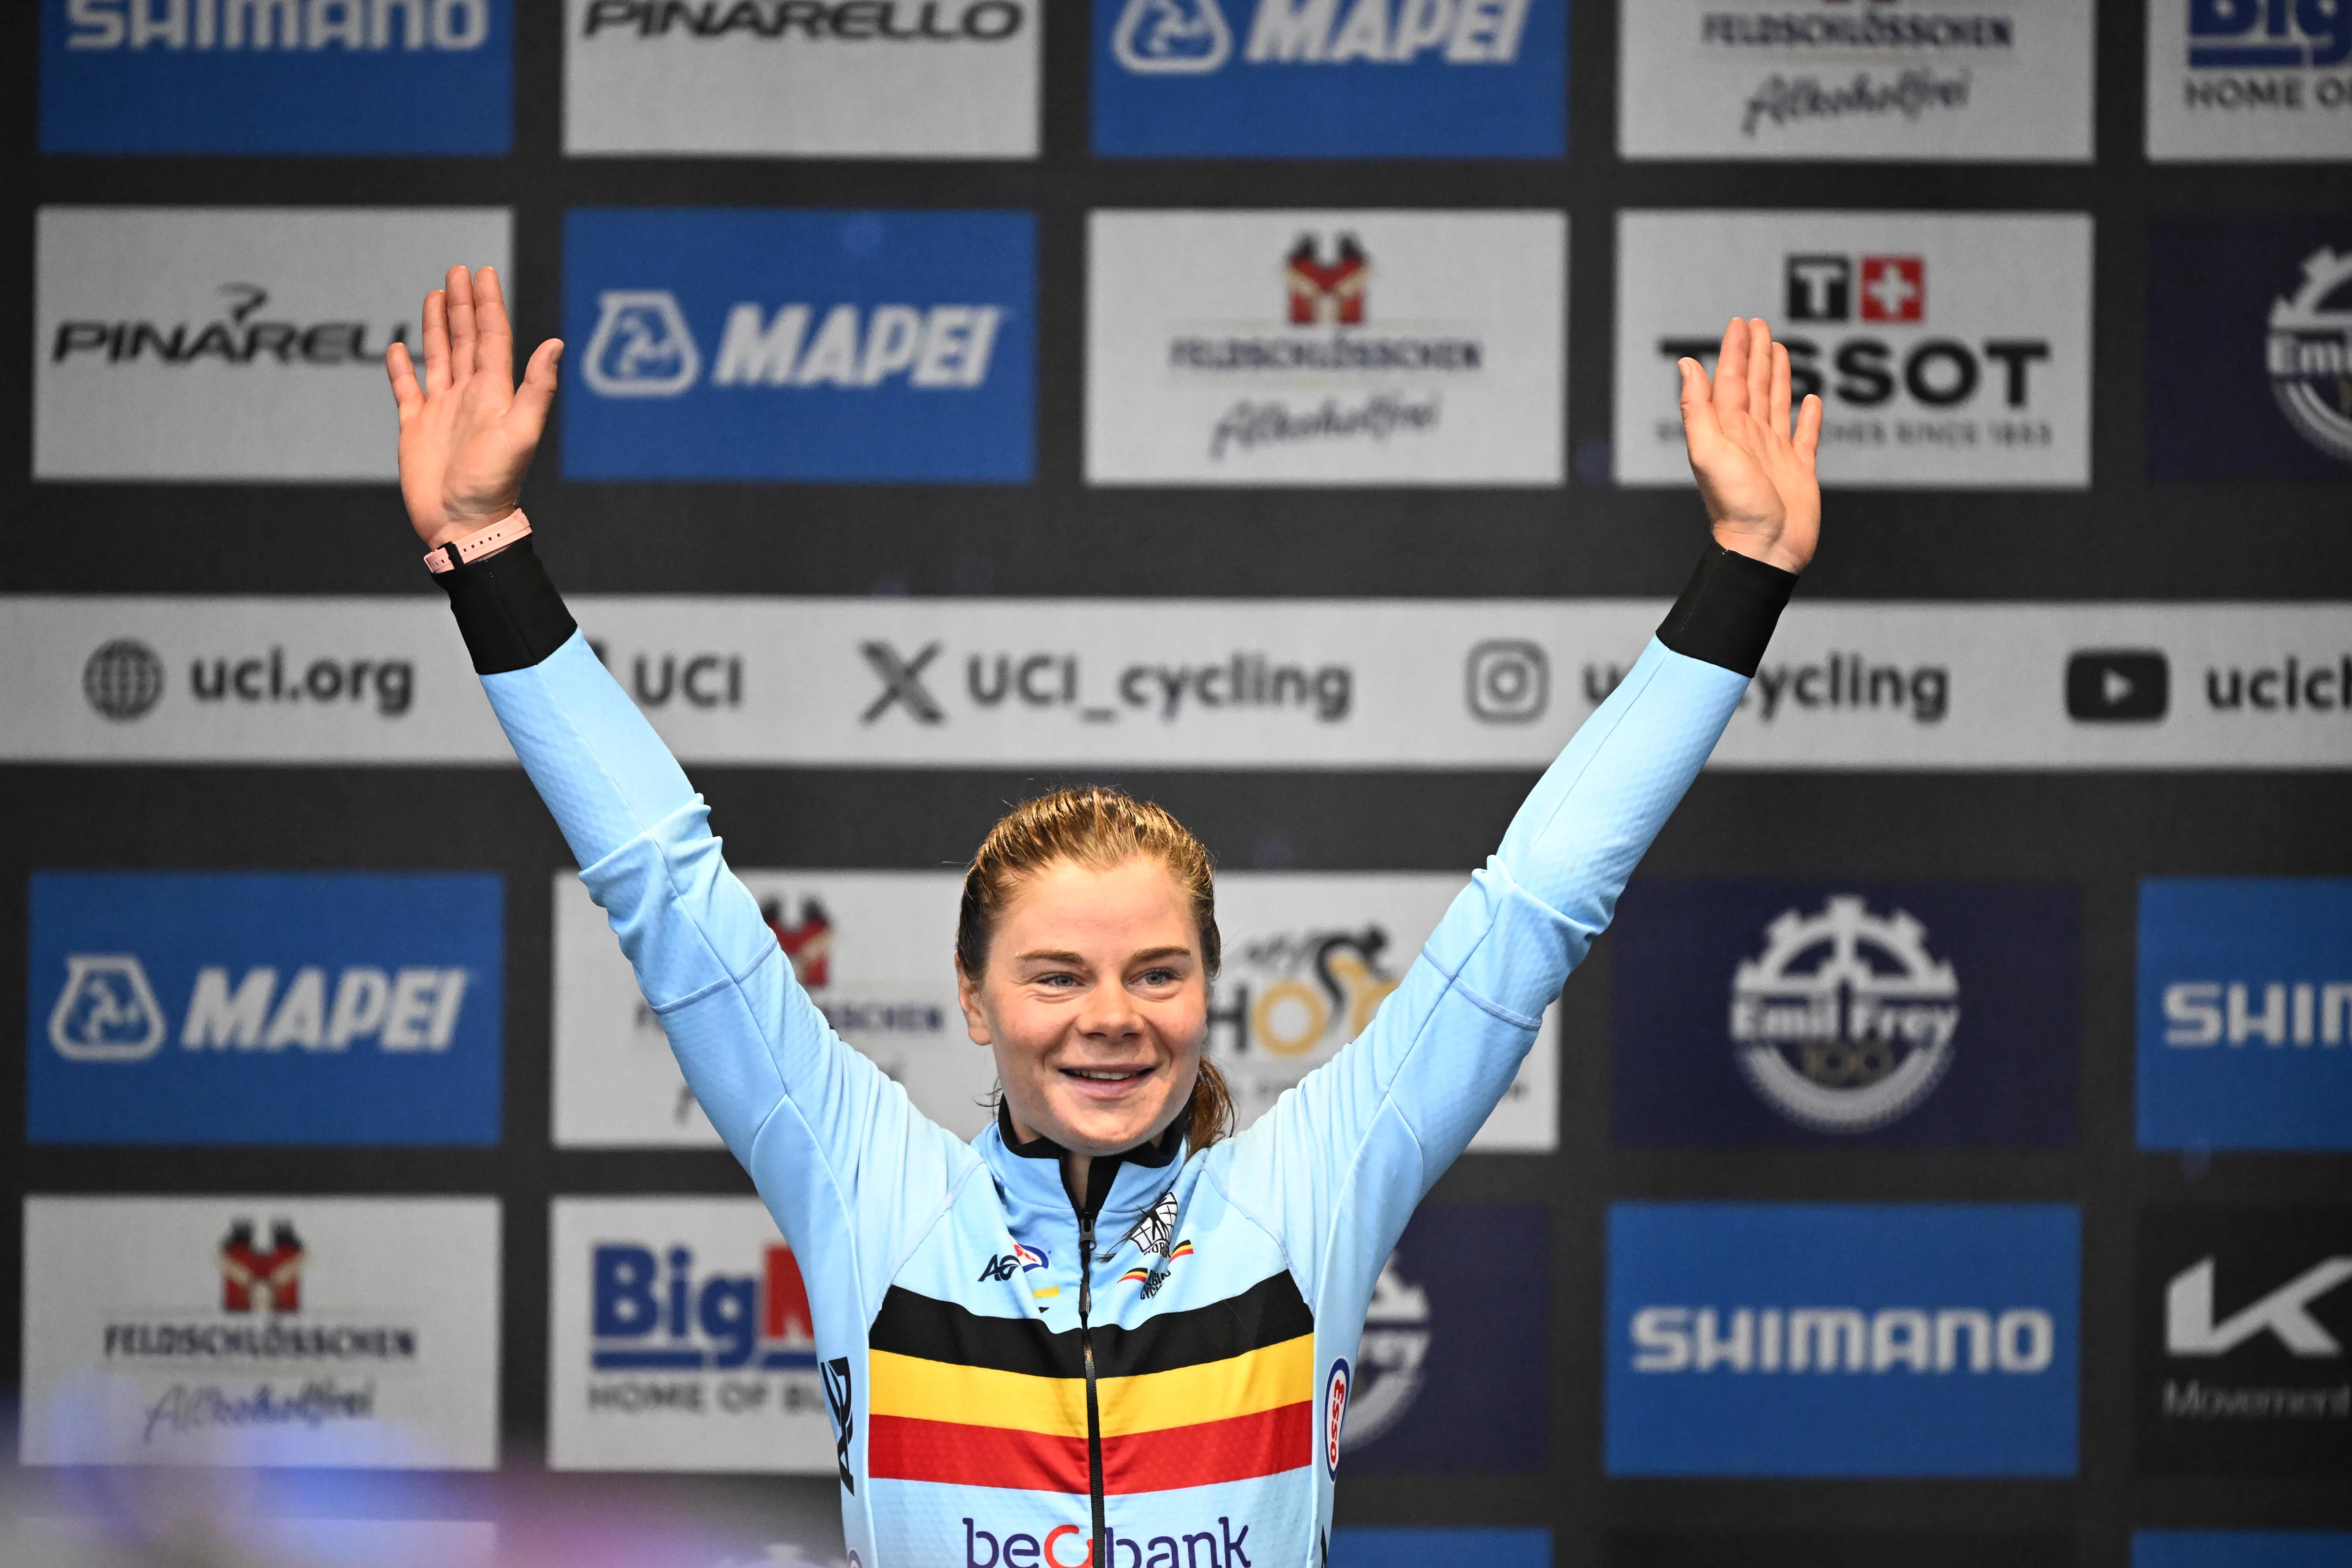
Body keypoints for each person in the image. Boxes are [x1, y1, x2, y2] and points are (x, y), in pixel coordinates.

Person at [386, 265, 1821, 1568]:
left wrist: (1745, 569)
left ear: (1208, 989)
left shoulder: (1303, 1194)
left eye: (1156, 970)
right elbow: (663, 882)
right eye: (1057, 974)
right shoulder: (870, 1189)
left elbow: (1537, 905)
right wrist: (484, 546)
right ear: (972, 998)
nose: (1113, 1017)